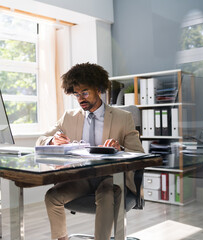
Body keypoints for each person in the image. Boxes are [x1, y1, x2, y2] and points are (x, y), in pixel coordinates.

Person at [36, 62, 144, 240]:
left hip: (111, 179)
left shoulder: (123, 118)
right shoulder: (69, 117)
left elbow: (139, 154)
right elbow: (40, 140)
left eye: (85, 93)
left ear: (99, 89)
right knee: (52, 196)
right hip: (82, 178)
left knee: (107, 195)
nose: (80, 99)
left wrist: (120, 149)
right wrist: (52, 140)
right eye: (77, 94)